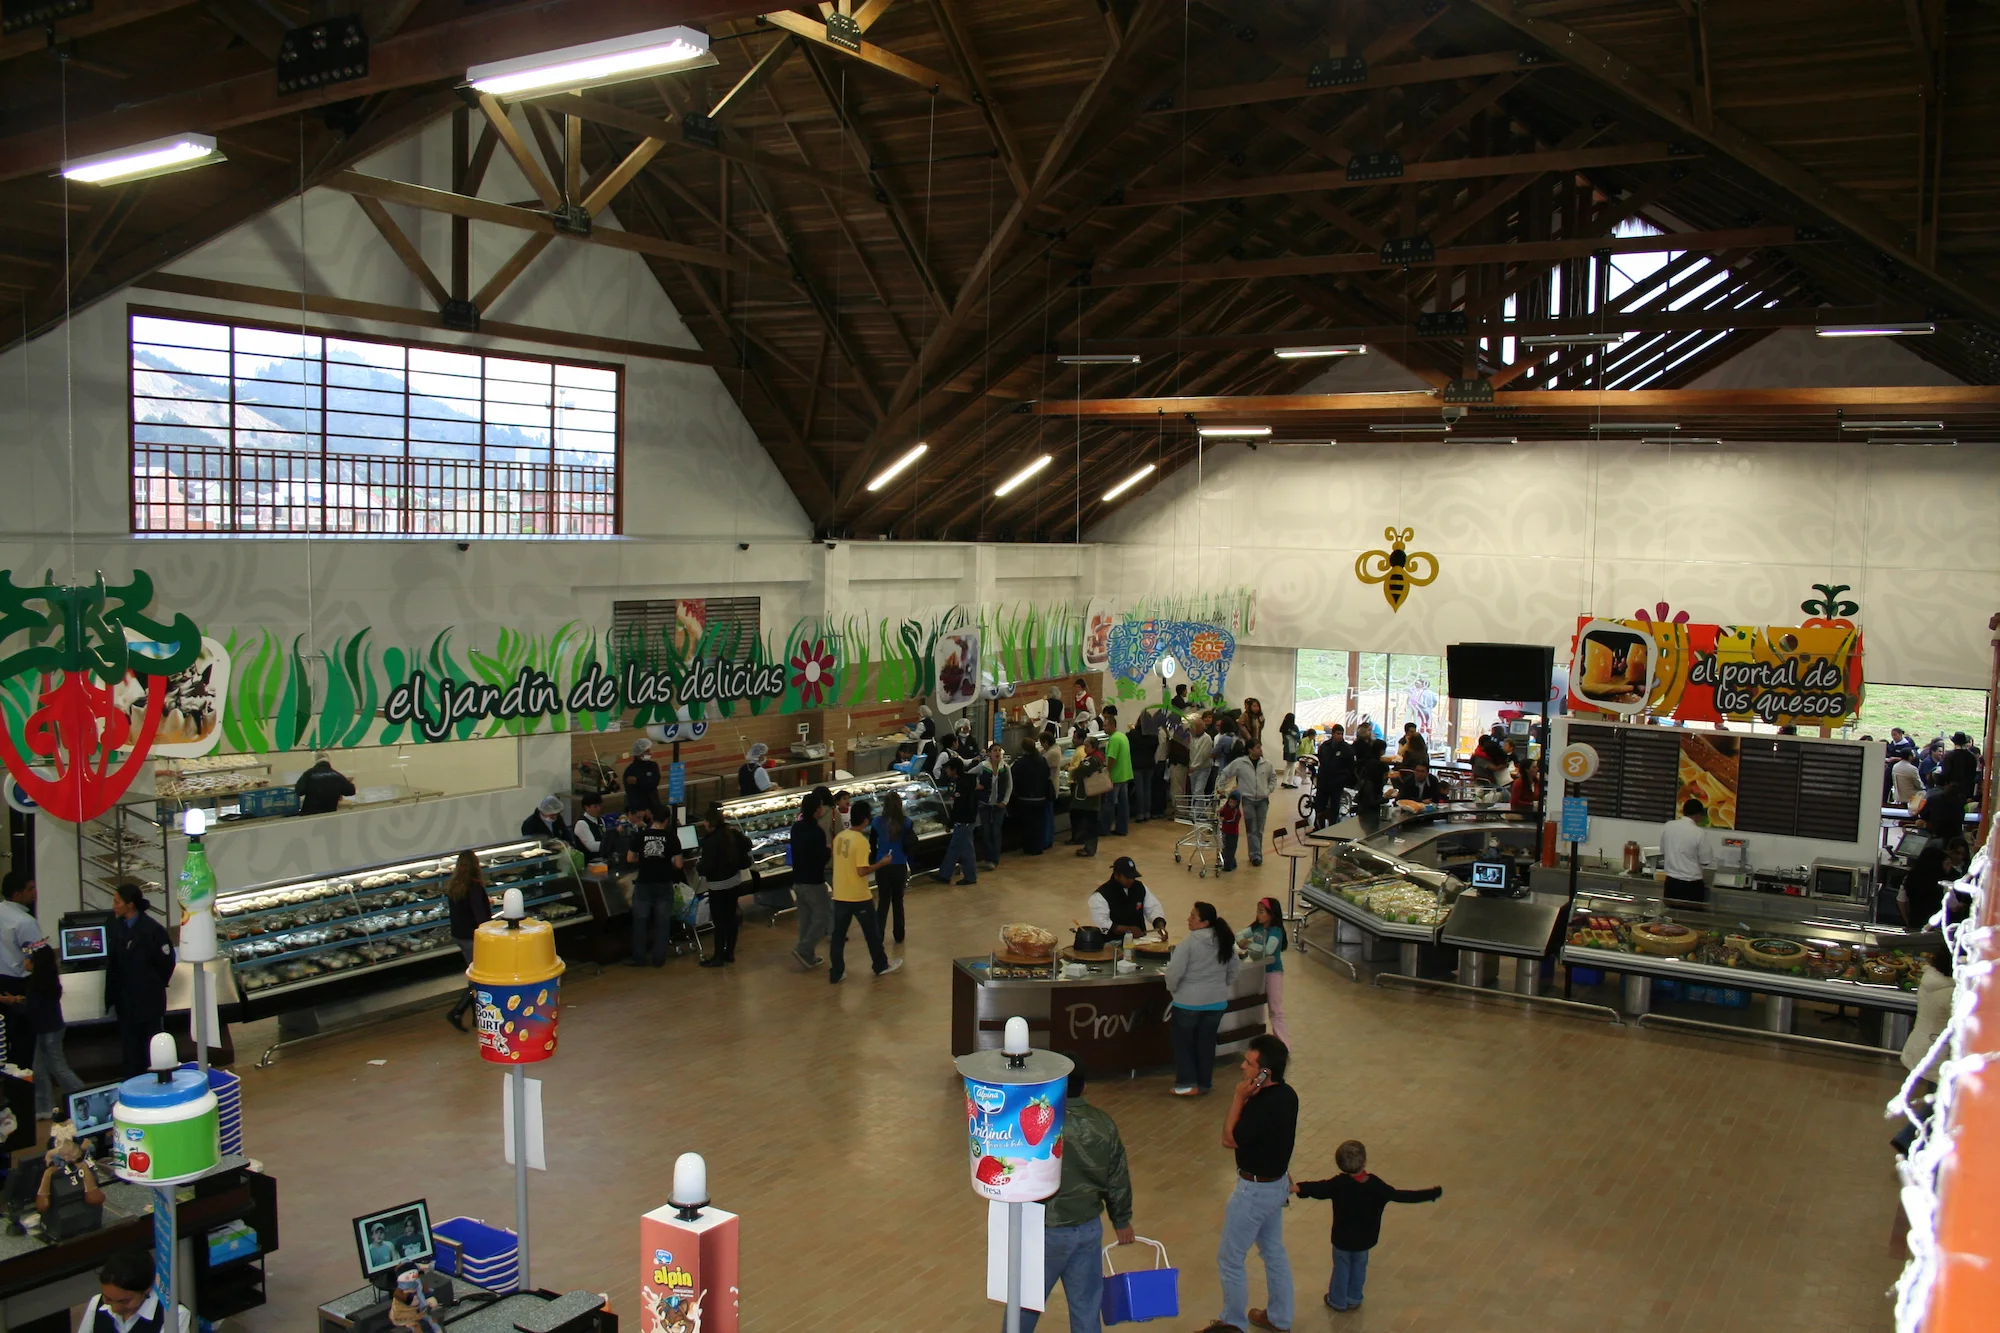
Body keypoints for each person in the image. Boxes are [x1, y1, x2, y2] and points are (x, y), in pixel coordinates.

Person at [1015, 1057, 1137, 1333]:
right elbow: (1117, 1177)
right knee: (1086, 1309)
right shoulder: (1104, 1123)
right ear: (1085, 1086)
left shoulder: (1039, 1123)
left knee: (1024, 1306)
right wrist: (1122, 1220)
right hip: (1087, 1229)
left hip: (1045, 1229)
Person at [1201, 1034, 1297, 1333]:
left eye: (1249, 1063)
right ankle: (1280, 1317)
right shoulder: (1288, 1095)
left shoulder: (1259, 1106)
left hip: (1253, 1191)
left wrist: (1238, 1098)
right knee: (1273, 1251)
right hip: (1277, 1184)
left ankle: (1232, 1324)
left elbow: (1229, 1139)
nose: (1242, 1067)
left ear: (1265, 1072)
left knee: (1230, 1259)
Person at [1293, 1139, 1442, 1314]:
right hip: (1365, 1239)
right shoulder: (1376, 1186)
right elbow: (1402, 1196)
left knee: (1341, 1268)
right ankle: (1354, 1297)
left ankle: (1337, 1300)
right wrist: (1431, 1193)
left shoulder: (1339, 1184)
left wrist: (1298, 1188)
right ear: (1364, 1162)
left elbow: (1318, 1188)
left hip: (1342, 1239)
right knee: (1359, 1267)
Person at [1165, 902, 1240, 1096]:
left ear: (1204, 922)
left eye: (1193, 916)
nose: (1188, 919)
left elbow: (1173, 972)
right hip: (1216, 1004)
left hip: (1188, 1003)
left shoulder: (1188, 944)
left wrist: (1173, 990)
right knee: (1206, 1044)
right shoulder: (1224, 941)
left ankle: (1187, 1084)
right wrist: (1222, 986)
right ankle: (1204, 1082)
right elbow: (1234, 968)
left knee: (1184, 1044)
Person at [106, 883, 175, 1078]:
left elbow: (166, 963)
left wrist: (151, 984)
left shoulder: (153, 931)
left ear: (130, 905)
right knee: (130, 1053)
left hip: (148, 1003)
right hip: (125, 1004)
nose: (113, 906)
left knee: (151, 1051)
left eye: (117, 902)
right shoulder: (115, 926)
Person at [828, 801, 901, 984]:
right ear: (866, 820)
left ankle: (836, 972)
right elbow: (862, 871)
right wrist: (882, 863)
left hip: (840, 893)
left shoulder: (840, 837)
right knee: (872, 933)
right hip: (858, 895)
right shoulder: (861, 841)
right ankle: (880, 965)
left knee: (838, 936)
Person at [26, 945, 83, 1119]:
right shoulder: (49, 981)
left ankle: (82, 1095)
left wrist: (14, 1003)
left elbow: (33, 1010)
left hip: (47, 1032)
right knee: (39, 1070)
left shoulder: (35, 984)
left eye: (28, 959)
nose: (25, 962)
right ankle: (44, 1109)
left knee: (58, 1068)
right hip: (50, 1029)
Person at [79, 1249, 191, 1333]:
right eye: (107, 1298)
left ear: (147, 1289)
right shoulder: (96, 1304)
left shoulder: (174, 1315)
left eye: (124, 1301)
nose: (115, 1308)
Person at [624, 809, 683, 969]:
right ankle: (659, 959)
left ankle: (639, 958)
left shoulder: (640, 836)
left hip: (644, 883)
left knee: (640, 921)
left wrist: (645, 861)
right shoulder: (672, 837)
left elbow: (629, 858)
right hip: (664, 883)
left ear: (651, 818)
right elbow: (679, 864)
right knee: (663, 922)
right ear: (667, 820)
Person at [696, 806, 753, 968]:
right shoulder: (732, 833)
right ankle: (730, 953)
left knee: (719, 921)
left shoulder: (710, 841)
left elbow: (707, 866)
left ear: (709, 822)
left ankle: (718, 956)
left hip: (717, 886)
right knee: (731, 917)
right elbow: (748, 844)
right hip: (734, 881)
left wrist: (698, 867)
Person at [444, 850, 490, 1030]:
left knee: (474, 973)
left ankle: (477, 1018)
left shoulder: (454, 886)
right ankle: (457, 1012)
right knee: (479, 979)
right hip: (473, 937)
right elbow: (480, 917)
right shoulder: (474, 886)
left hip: (460, 935)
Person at [0, 870, 42, 1065]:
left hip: (2, 982)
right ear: (17, 894)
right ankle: (23, 1077)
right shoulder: (25, 922)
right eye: (30, 889)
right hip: (19, 985)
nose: (35, 892)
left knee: (3, 1039)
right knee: (24, 1041)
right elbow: (36, 958)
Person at [789, 791, 833, 970]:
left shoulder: (796, 828)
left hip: (798, 879)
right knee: (823, 916)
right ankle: (804, 948)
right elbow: (820, 859)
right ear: (817, 810)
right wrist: (828, 850)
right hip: (813, 881)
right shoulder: (817, 832)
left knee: (805, 919)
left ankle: (808, 956)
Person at [1901, 949, 1954, 1095]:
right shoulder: (1951, 993)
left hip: (1920, 1042)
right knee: (1938, 1097)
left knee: (1934, 1094)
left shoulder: (1930, 979)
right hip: (1939, 1050)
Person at [871, 792, 919, 944]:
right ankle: (899, 934)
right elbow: (911, 843)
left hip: (882, 865)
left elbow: (872, 844)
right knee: (898, 901)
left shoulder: (877, 822)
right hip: (899, 864)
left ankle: (878, 935)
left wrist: (875, 860)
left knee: (883, 902)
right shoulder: (906, 822)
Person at [1238, 898, 1288, 1044]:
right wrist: (1244, 942)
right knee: (1253, 1003)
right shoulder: (1257, 928)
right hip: (1257, 972)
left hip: (1273, 972)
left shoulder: (1276, 931)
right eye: (1257, 912)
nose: (1258, 915)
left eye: (1261, 912)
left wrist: (1248, 945)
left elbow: (1268, 950)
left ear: (1271, 914)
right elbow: (1239, 936)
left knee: (1275, 1010)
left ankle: (1283, 1044)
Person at [1220, 740, 1276, 866]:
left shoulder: (1267, 764)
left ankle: (1256, 853)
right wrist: (1221, 787)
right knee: (1252, 828)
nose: (1260, 749)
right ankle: (1255, 855)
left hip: (1263, 800)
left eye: (1260, 747)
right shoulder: (1240, 763)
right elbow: (1225, 772)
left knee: (1259, 829)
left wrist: (1268, 790)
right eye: (1257, 747)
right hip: (1248, 800)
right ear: (1250, 750)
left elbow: (1273, 778)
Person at [933, 754, 982, 886]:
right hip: (968, 819)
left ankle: (970, 876)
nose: (946, 771)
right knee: (954, 848)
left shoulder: (961, 785)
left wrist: (949, 823)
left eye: (948, 769)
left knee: (966, 850)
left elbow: (958, 806)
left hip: (964, 821)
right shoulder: (968, 781)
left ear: (954, 770)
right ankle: (945, 874)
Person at [1089, 857, 1166, 939]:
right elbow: (1101, 923)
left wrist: (1159, 924)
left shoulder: (1140, 887)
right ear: (1117, 875)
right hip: (1113, 942)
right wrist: (1128, 930)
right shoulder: (1100, 895)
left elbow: (1153, 908)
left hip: (1140, 941)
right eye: (1128, 877)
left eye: (1133, 877)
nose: (1131, 880)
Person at [1904, 836, 1969, 929]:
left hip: (1916, 924)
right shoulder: (1943, 885)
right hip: (1935, 929)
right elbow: (1953, 907)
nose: (1949, 868)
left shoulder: (1911, 879)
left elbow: (1902, 901)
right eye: (1947, 864)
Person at [1661, 798, 1712, 904]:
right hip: (1692, 885)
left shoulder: (1668, 826)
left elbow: (1663, 851)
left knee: (1670, 913)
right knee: (1689, 913)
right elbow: (1705, 861)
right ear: (1698, 815)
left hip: (1671, 883)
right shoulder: (1699, 833)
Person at [1011, 736, 1052, 856]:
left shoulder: (1020, 763)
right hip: (1041, 798)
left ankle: (1029, 848)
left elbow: (1014, 779)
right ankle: (1038, 847)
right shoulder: (1042, 761)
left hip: (1025, 799)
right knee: (1038, 824)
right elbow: (1047, 776)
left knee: (1027, 825)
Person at [977, 742, 1013, 870]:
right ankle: (988, 857)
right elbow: (973, 777)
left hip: (999, 805)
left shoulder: (1005, 767)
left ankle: (994, 859)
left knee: (996, 832)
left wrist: (1005, 801)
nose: (997, 752)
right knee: (986, 831)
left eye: (999, 750)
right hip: (985, 804)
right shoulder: (983, 767)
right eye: (995, 750)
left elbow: (1009, 786)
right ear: (989, 753)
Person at [1069, 736, 1107, 859]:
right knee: (1090, 823)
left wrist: (1073, 771)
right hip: (1093, 796)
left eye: (1087, 746)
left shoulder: (1092, 760)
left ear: (1093, 747)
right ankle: (1088, 847)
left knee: (1090, 823)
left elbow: (1078, 773)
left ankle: (1089, 848)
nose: (1085, 748)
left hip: (1088, 798)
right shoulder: (1099, 756)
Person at [1314, 724, 1353, 828]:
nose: (1340, 736)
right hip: (1324, 780)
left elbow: (1350, 765)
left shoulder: (1346, 748)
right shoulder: (1325, 746)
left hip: (1337, 782)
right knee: (1320, 805)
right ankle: (1319, 827)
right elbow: (1321, 758)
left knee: (1335, 806)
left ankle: (1333, 827)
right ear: (1333, 734)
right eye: (1338, 733)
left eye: (1341, 734)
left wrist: (1344, 777)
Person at [1103, 712, 1133, 837]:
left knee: (1110, 803)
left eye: (1105, 726)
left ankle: (1105, 829)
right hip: (1125, 774)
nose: (1104, 728)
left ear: (1112, 726)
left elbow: (1112, 758)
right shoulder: (1123, 736)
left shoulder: (1114, 739)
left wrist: (1107, 770)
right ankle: (1122, 828)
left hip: (1115, 776)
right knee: (1123, 804)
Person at [1129, 714, 1160, 824]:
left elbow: (1130, 747)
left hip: (1137, 764)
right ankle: (1147, 813)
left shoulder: (1133, 734)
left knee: (1139, 790)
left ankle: (1140, 814)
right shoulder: (1154, 735)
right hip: (1150, 764)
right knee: (1147, 790)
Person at [622, 738, 661, 815]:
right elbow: (631, 793)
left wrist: (638, 781)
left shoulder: (653, 766)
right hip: (639, 811)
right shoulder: (630, 771)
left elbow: (654, 783)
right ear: (639, 753)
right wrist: (640, 810)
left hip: (654, 806)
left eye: (650, 750)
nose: (650, 753)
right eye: (647, 751)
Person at [571, 793, 608, 860]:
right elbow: (591, 846)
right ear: (586, 807)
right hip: (588, 861)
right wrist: (610, 844)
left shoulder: (600, 820)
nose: (598, 808)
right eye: (595, 806)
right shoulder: (581, 824)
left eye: (599, 805)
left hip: (602, 858)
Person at [1188, 715, 1216, 800]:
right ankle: (1198, 808)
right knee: (1194, 791)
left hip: (1203, 768)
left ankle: (1196, 809)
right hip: (1193, 768)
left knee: (1198, 791)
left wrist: (1194, 766)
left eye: (1194, 727)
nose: (1193, 729)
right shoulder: (1192, 737)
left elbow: (1203, 755)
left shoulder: (1207, 738)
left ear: (1201, 728)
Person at [1892, 747, 1924, 811]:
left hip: (1898, 793)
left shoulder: (1895, 766)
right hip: (1910, 795)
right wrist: (1923, 786)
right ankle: (1914, 811)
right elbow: (1919, 785)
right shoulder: (1912, 769)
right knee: (1923, 792)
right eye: (1913, 754)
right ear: (1910, 757)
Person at [1218, 794, 1242, 872]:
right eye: (1230, 802)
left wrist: (1224, 820)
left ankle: (1228, 866)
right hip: (1225, 832)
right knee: (1225, 848)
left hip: (1233, 833)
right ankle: (1232, 863)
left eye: (1234, 803)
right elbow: (1221, 813)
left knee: (1230, 849)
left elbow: (1233, 820)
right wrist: (1219, 813)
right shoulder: (1225, 807)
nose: (1231, 804)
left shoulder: (1237, 812)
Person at [1277, 714, 1301, 783]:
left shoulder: (1284, 728)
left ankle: (1286, 780)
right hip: (1292, 748)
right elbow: (1297, 736)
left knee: (1289, 765)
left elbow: (1283, 740)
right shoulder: (1294, 727)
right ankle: (1290, 781)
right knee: (1292, 765)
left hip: (1286, 748)